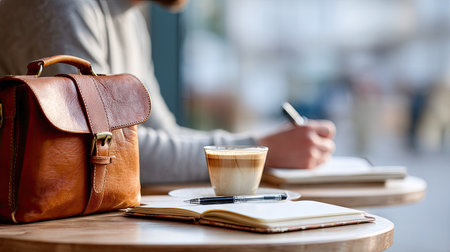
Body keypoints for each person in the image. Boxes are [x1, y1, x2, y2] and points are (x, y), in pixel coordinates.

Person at [0, 0, 336, 184]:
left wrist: (260, 146)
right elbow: (100, 151)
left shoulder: (129, 17)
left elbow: (161, 135)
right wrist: (257, 150)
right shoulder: (61, 7)